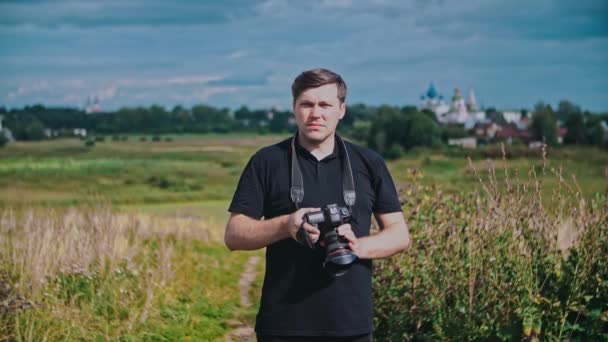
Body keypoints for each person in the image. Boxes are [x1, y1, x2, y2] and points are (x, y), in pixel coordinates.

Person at [224, 68, 410, 341]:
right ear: (294, 108)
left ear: (342, 109)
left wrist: (359, 246)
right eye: (307, 104)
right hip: (283, 325)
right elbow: (234, 235)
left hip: (352, 325)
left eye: (325, 105)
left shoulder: (369, 163)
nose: (316, 113)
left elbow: (399, 233)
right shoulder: (266, 161)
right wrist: (286, 225)